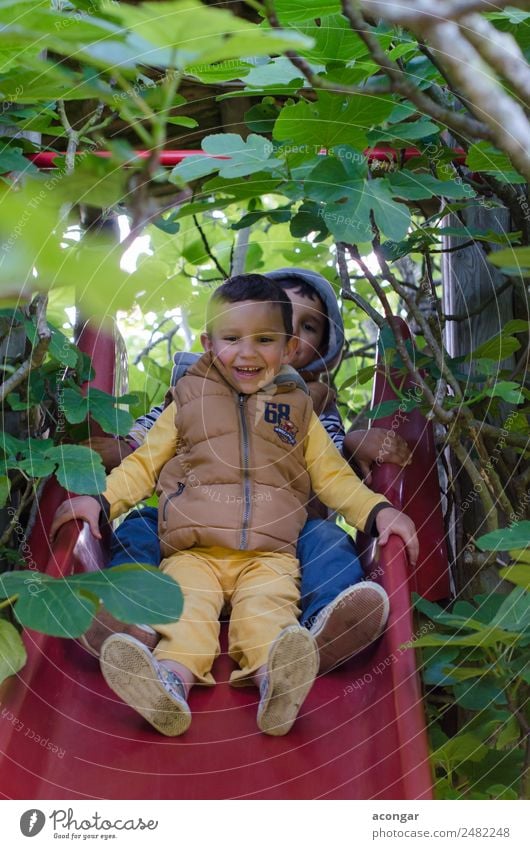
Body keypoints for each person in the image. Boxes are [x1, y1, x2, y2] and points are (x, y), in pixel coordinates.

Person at [51, 275, 418, 738]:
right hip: (194, 552)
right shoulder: (188, 400)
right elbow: (144, 465)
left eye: (265, 340)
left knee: (268, 619)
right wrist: (99, 500)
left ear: (286, 349)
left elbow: (333, 478)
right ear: (208, 343)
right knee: (185, 618)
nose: (247, 353)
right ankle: (167, 686)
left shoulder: (299, 410)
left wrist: (379, 511)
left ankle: (277, 687)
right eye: (231, 339)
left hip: (270, 555)